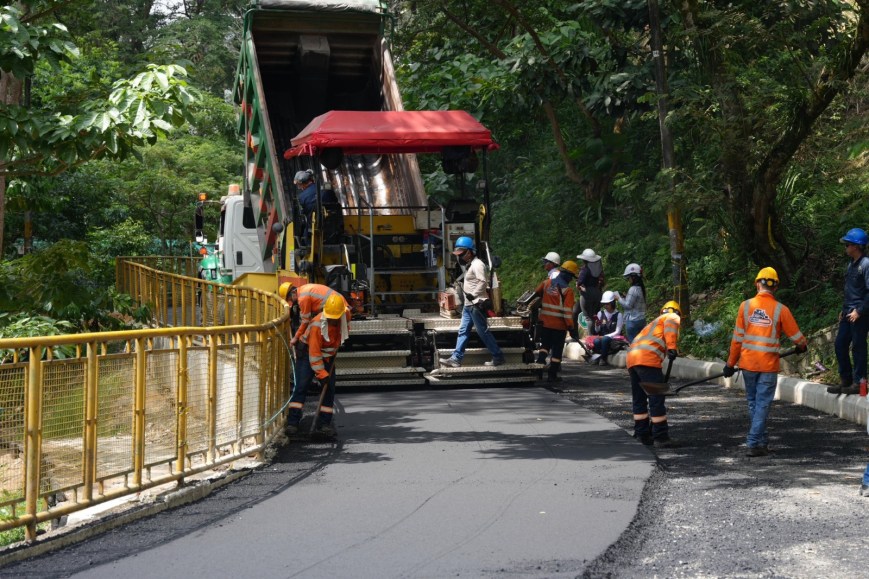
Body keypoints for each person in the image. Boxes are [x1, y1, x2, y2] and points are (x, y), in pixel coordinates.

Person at [723, 267, 808, 457]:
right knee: (762, 404)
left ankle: (761, 442)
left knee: (754, 403)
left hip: (748, 365)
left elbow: (737, 339)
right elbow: (797, 337)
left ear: (757, 284)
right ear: (775, 287)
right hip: (768, 366)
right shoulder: (780, 309)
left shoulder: (745, 307)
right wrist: (802, 346)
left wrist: (730, 364)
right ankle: (753, 442)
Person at [286, 293, 350, 436]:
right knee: (301, 386)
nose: (332, 321)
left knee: (329, 389)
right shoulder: (317, 325)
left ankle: (324, 424)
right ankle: (292, 423)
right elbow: (314, 355)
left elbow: (343, 332)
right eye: (330, 318)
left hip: (328, 357)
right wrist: (322, 375)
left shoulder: (345, 316)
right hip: (307, 353)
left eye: (335, 318)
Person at [439, 236, 505, 367]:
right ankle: (456, 359)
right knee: (463, 331)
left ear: (469, 252)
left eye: (461, 254)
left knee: (483, 332)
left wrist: (473, 295)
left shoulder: (477, 265)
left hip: (476, 305)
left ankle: (498, 356)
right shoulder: (470, 265)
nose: (459, 257)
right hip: (468, 306)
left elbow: (483, 282)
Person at [626, 300, 681, 448]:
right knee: (656, 398)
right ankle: (661, 437)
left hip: (632, 359)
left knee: (639, 398)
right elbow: (671, 328)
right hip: (647, 360)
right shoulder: (672, 316)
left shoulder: (653, 324)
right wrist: (672, 347)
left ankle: (642, 434)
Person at [828, 228, 869, 396]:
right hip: (847, 312)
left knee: (858, 347)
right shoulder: (851, 264)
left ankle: (859, 382)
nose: (845, 247)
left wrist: (859, 311)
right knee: (840, 344)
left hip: (860, 314)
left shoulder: (866, 264)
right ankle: (845, 380)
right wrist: (843, 309)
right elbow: (850, 290)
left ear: (856, 246)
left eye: (848, 244)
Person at [533, 260, 579, 382]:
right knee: (557, 351)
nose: (571, 279)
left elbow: (536, 293)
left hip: (545, 323)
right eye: (571, 276)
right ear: (567, 275)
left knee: (544, 347)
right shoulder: (567, 291)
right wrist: (571, 327)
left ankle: (538, 370)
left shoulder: (546, 283)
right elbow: (567, 312)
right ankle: (552, 375)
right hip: (559, 327)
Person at [279, 282, 350, 347]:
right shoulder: (303, 290)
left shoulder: (302, 298)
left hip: (338, 308)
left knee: (315, 330)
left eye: (290, 299)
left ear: (293, 292)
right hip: (341, 306)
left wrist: (295, 337)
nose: (291, 302)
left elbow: (305, 321)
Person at [589, 290, 624, 366]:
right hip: (602, 337)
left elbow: (618, 331)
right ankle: (598, 357)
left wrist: (604, 336)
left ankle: (603, 358)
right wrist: (597, 325)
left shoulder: (619, 315)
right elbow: (597, 330)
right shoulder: (600, 313)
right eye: (604, 304)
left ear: (612, 303)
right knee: (596, 341)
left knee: (605, 339)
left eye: (607, 304)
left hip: (613, 338)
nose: (606, 306)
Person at [574, 248, 605, 331]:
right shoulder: (598, 269)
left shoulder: (585, 269)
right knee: (594, 316)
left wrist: (578, 284)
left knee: (588, 317)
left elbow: (580, 282)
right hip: (597, 293)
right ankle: (595, 334)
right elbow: (602, 281)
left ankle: (590, 336)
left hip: (587, 293)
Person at [618, 263, 647, 343]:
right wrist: (626, 297)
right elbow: (636, 301)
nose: (629, 280)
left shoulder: (633, 289)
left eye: (629, 278)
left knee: (633, 344)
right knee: (641, 343)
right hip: (642, 319)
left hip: (633, 320)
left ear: (633, 277)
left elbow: (628, 305)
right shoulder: (641, 288)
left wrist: (618, 298)